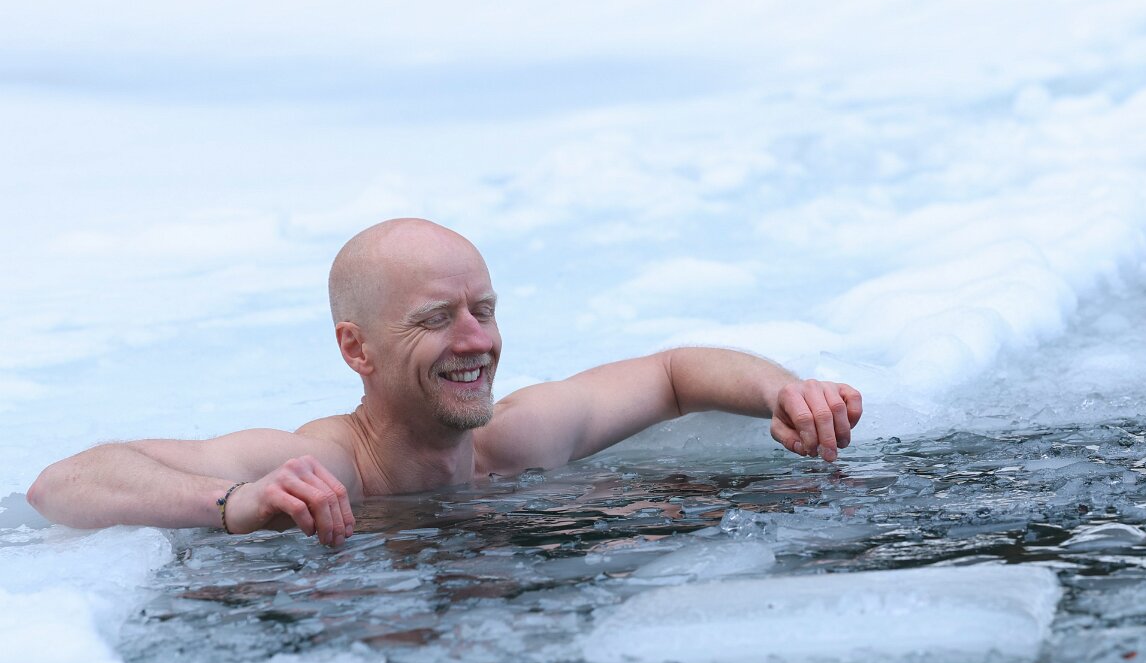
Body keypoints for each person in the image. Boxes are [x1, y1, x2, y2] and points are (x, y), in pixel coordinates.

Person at [27, 218, 863, 548]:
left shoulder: (512, 441)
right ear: (357, 349)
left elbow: (673, 375)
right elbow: (61, 482)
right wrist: (230, 503)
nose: (477, 342)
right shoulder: (331, 467)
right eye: (436, 319)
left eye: (483, 311)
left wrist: (784, 392)